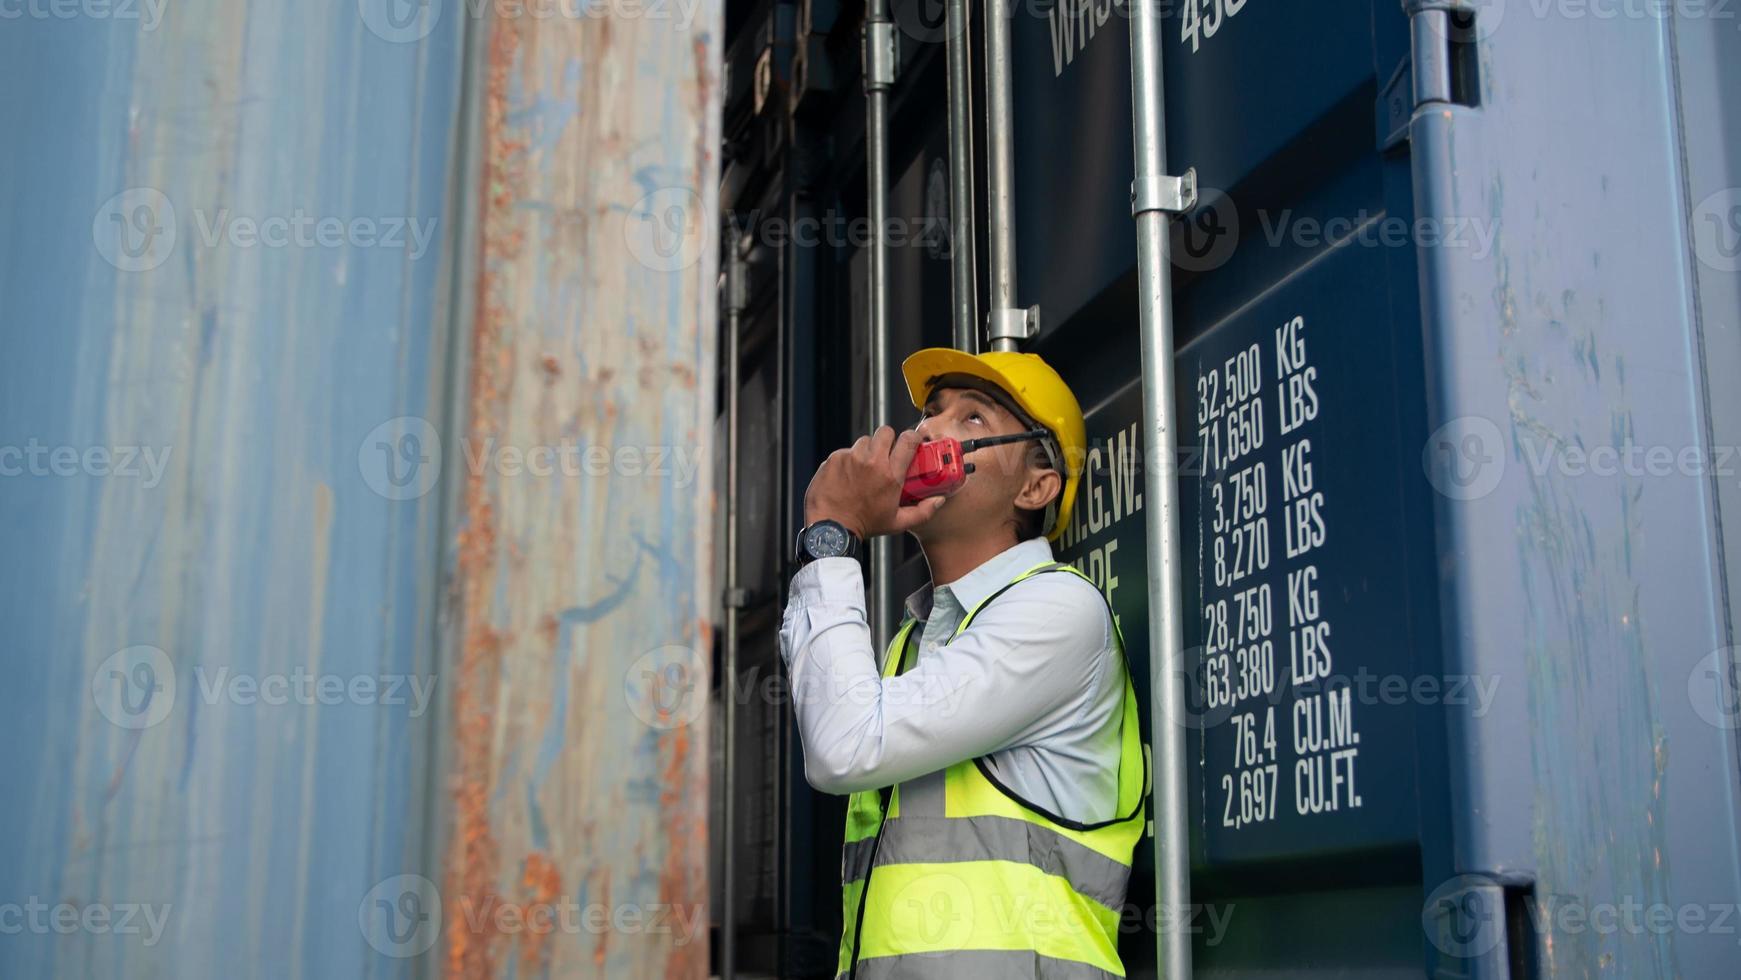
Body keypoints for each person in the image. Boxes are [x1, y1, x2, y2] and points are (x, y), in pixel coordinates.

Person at [779, 347, 1150, 979]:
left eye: (972, 419)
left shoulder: (1057, 611)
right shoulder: (913, 644)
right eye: (930, 413)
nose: (929, 430)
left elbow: (844, 746)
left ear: (1036, 485)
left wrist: (833, 537)